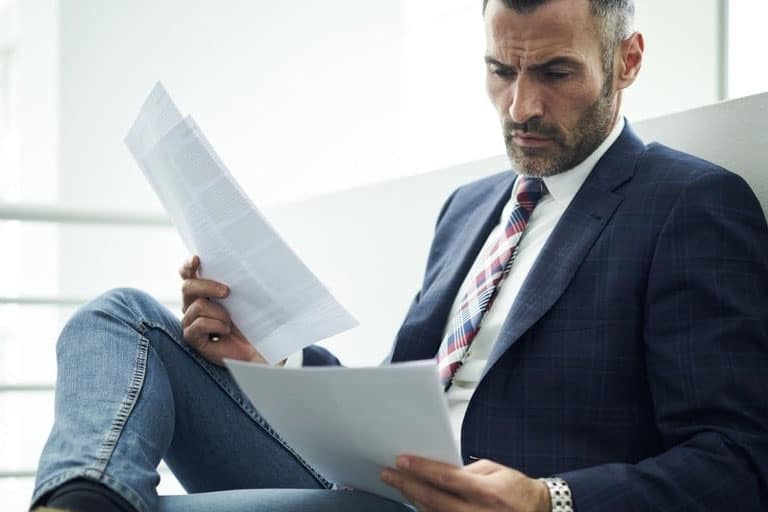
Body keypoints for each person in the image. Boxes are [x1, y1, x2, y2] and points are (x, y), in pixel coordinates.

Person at [31, 0, 768, 511]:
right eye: (501, 71)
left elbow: (739, 463)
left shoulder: (689, 206)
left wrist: (551, 501)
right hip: (370, 482)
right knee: (122, 317)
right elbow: (397, 399)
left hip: (469, 504)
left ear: (627, 59)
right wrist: (270, 361)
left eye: (555, 73)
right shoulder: (469, 210)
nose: (521, 108)